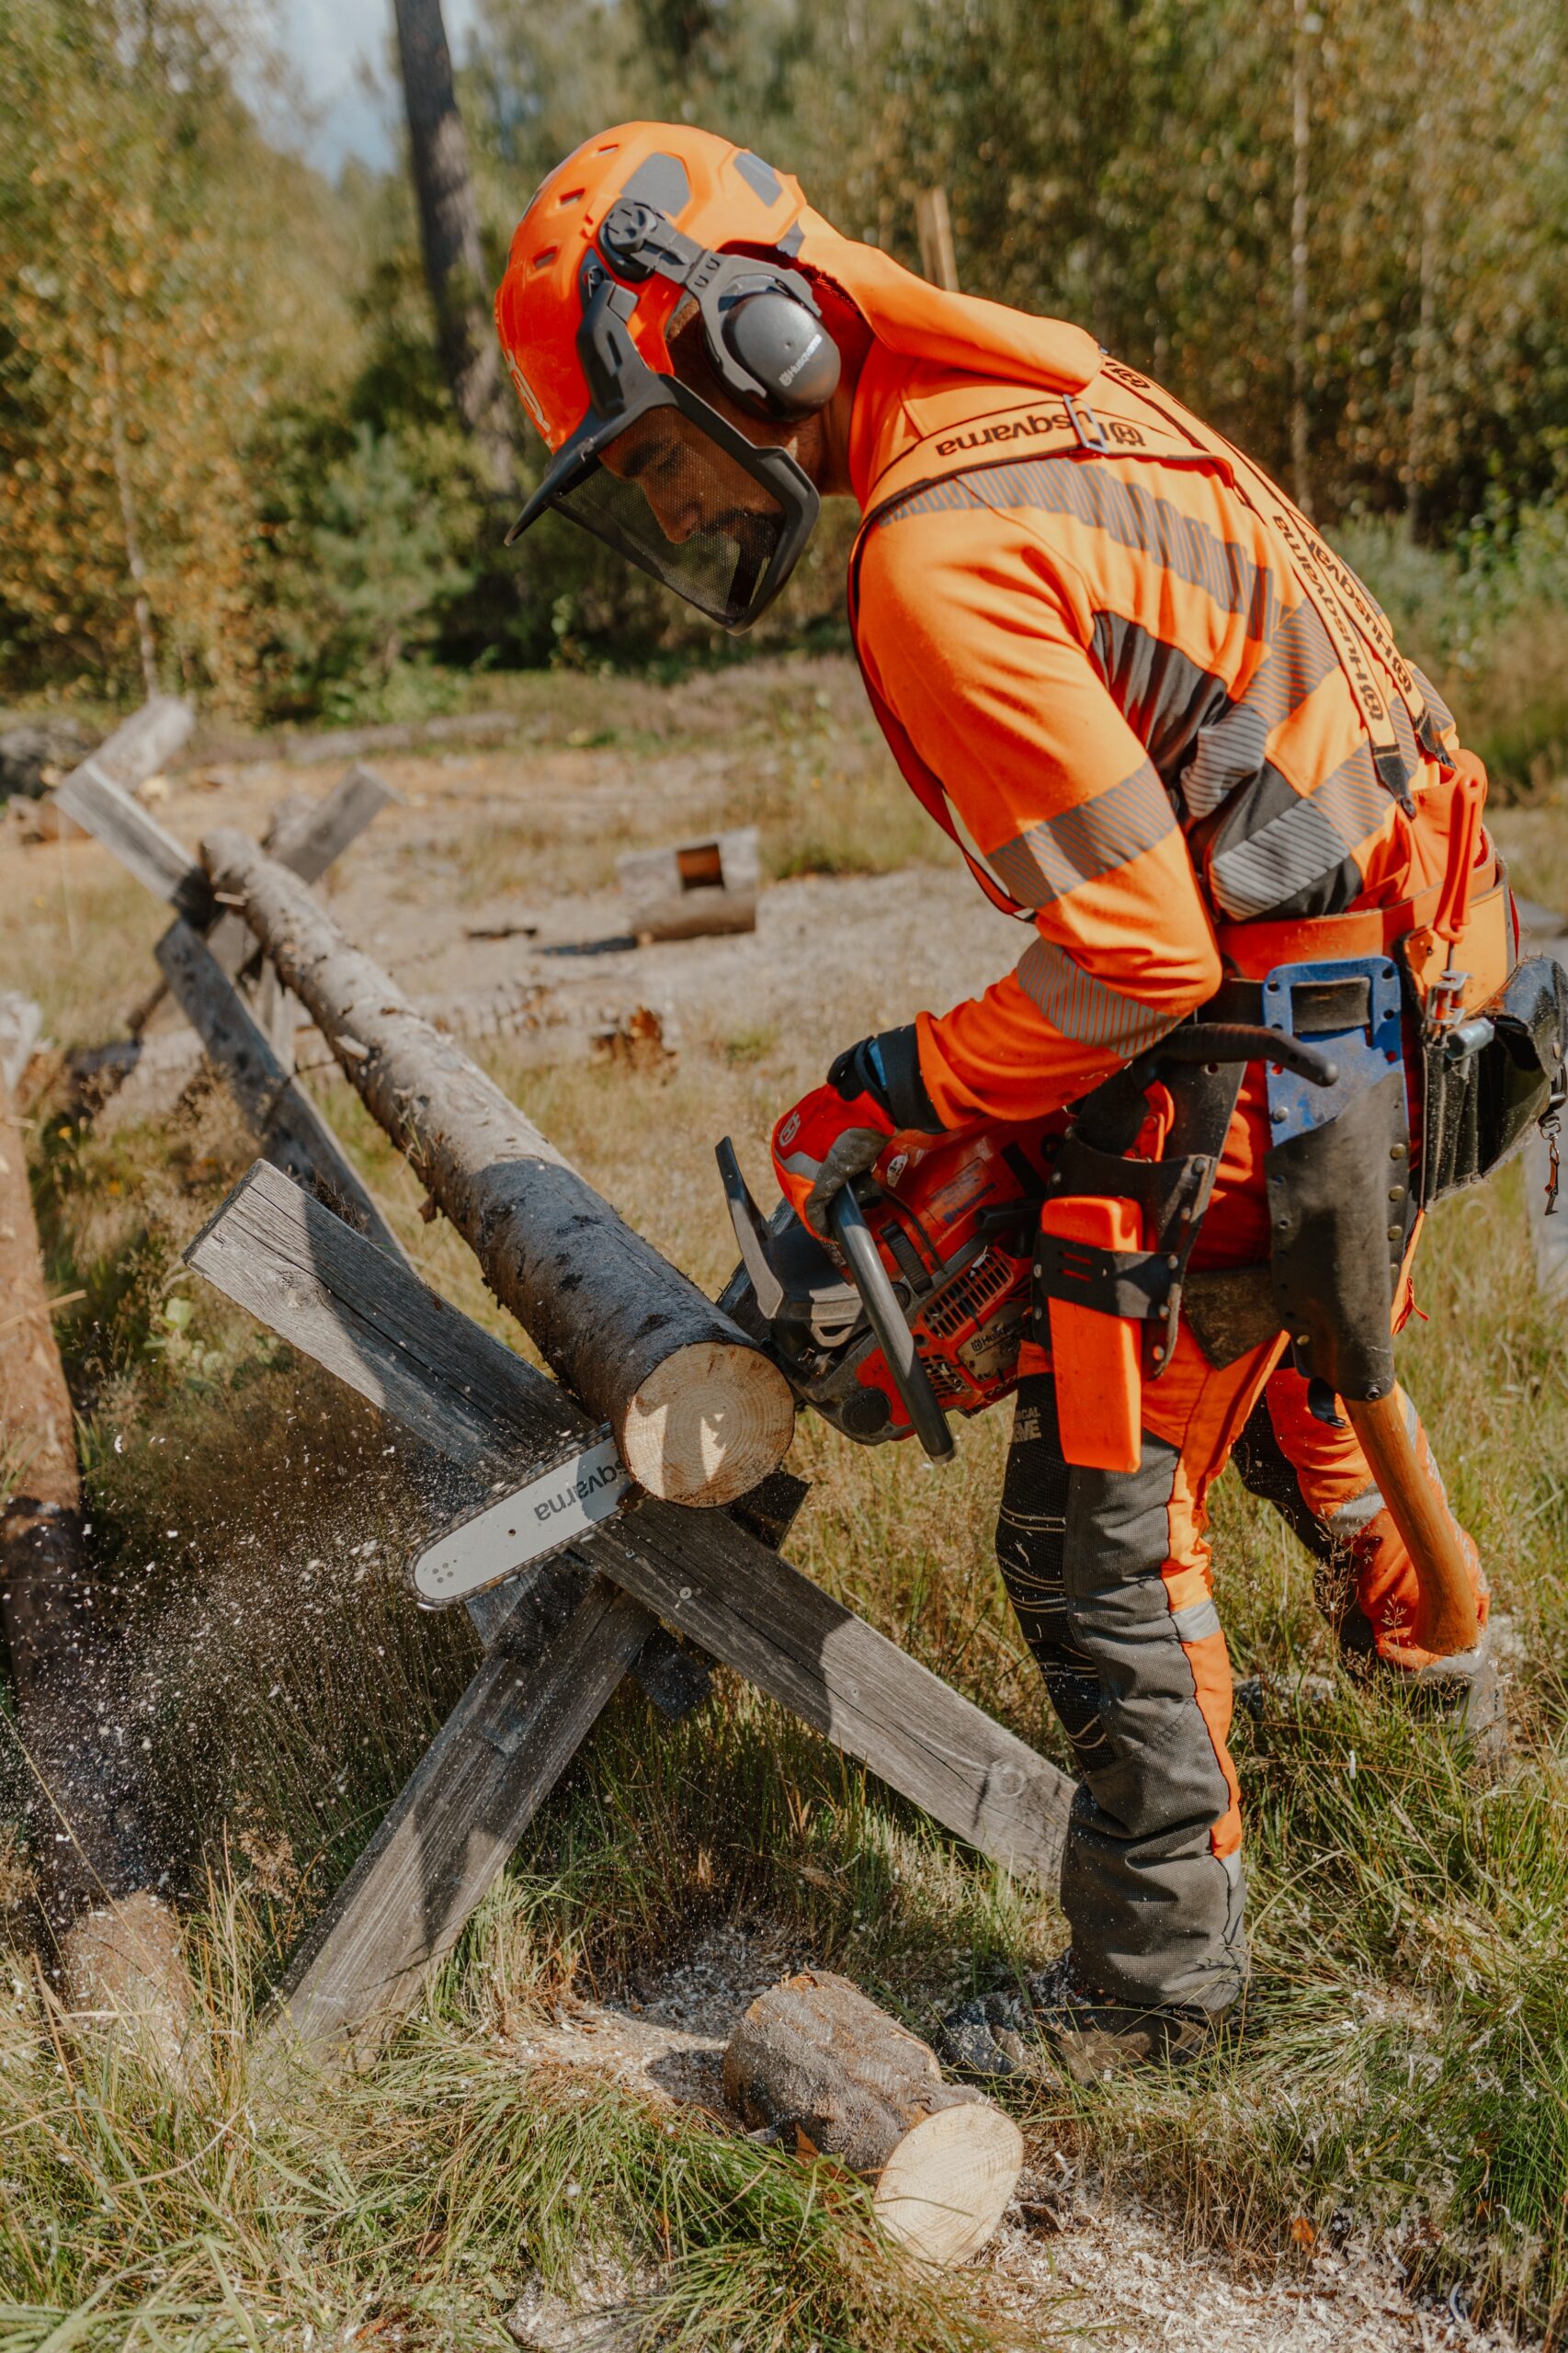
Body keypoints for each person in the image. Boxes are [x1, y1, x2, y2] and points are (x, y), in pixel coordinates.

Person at [494, 123, 1505, 2082]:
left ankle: (1156, 1978)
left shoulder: (935, 557)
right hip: (1421, 980)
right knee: (1282, 1329)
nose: (687, 496)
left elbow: (1136, 957)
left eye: (661, 446)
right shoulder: (1045, 391)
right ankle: (1432, 1648)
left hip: (1294, 1035)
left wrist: (909, 1078)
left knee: (1084, 1507)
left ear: (754, 334)